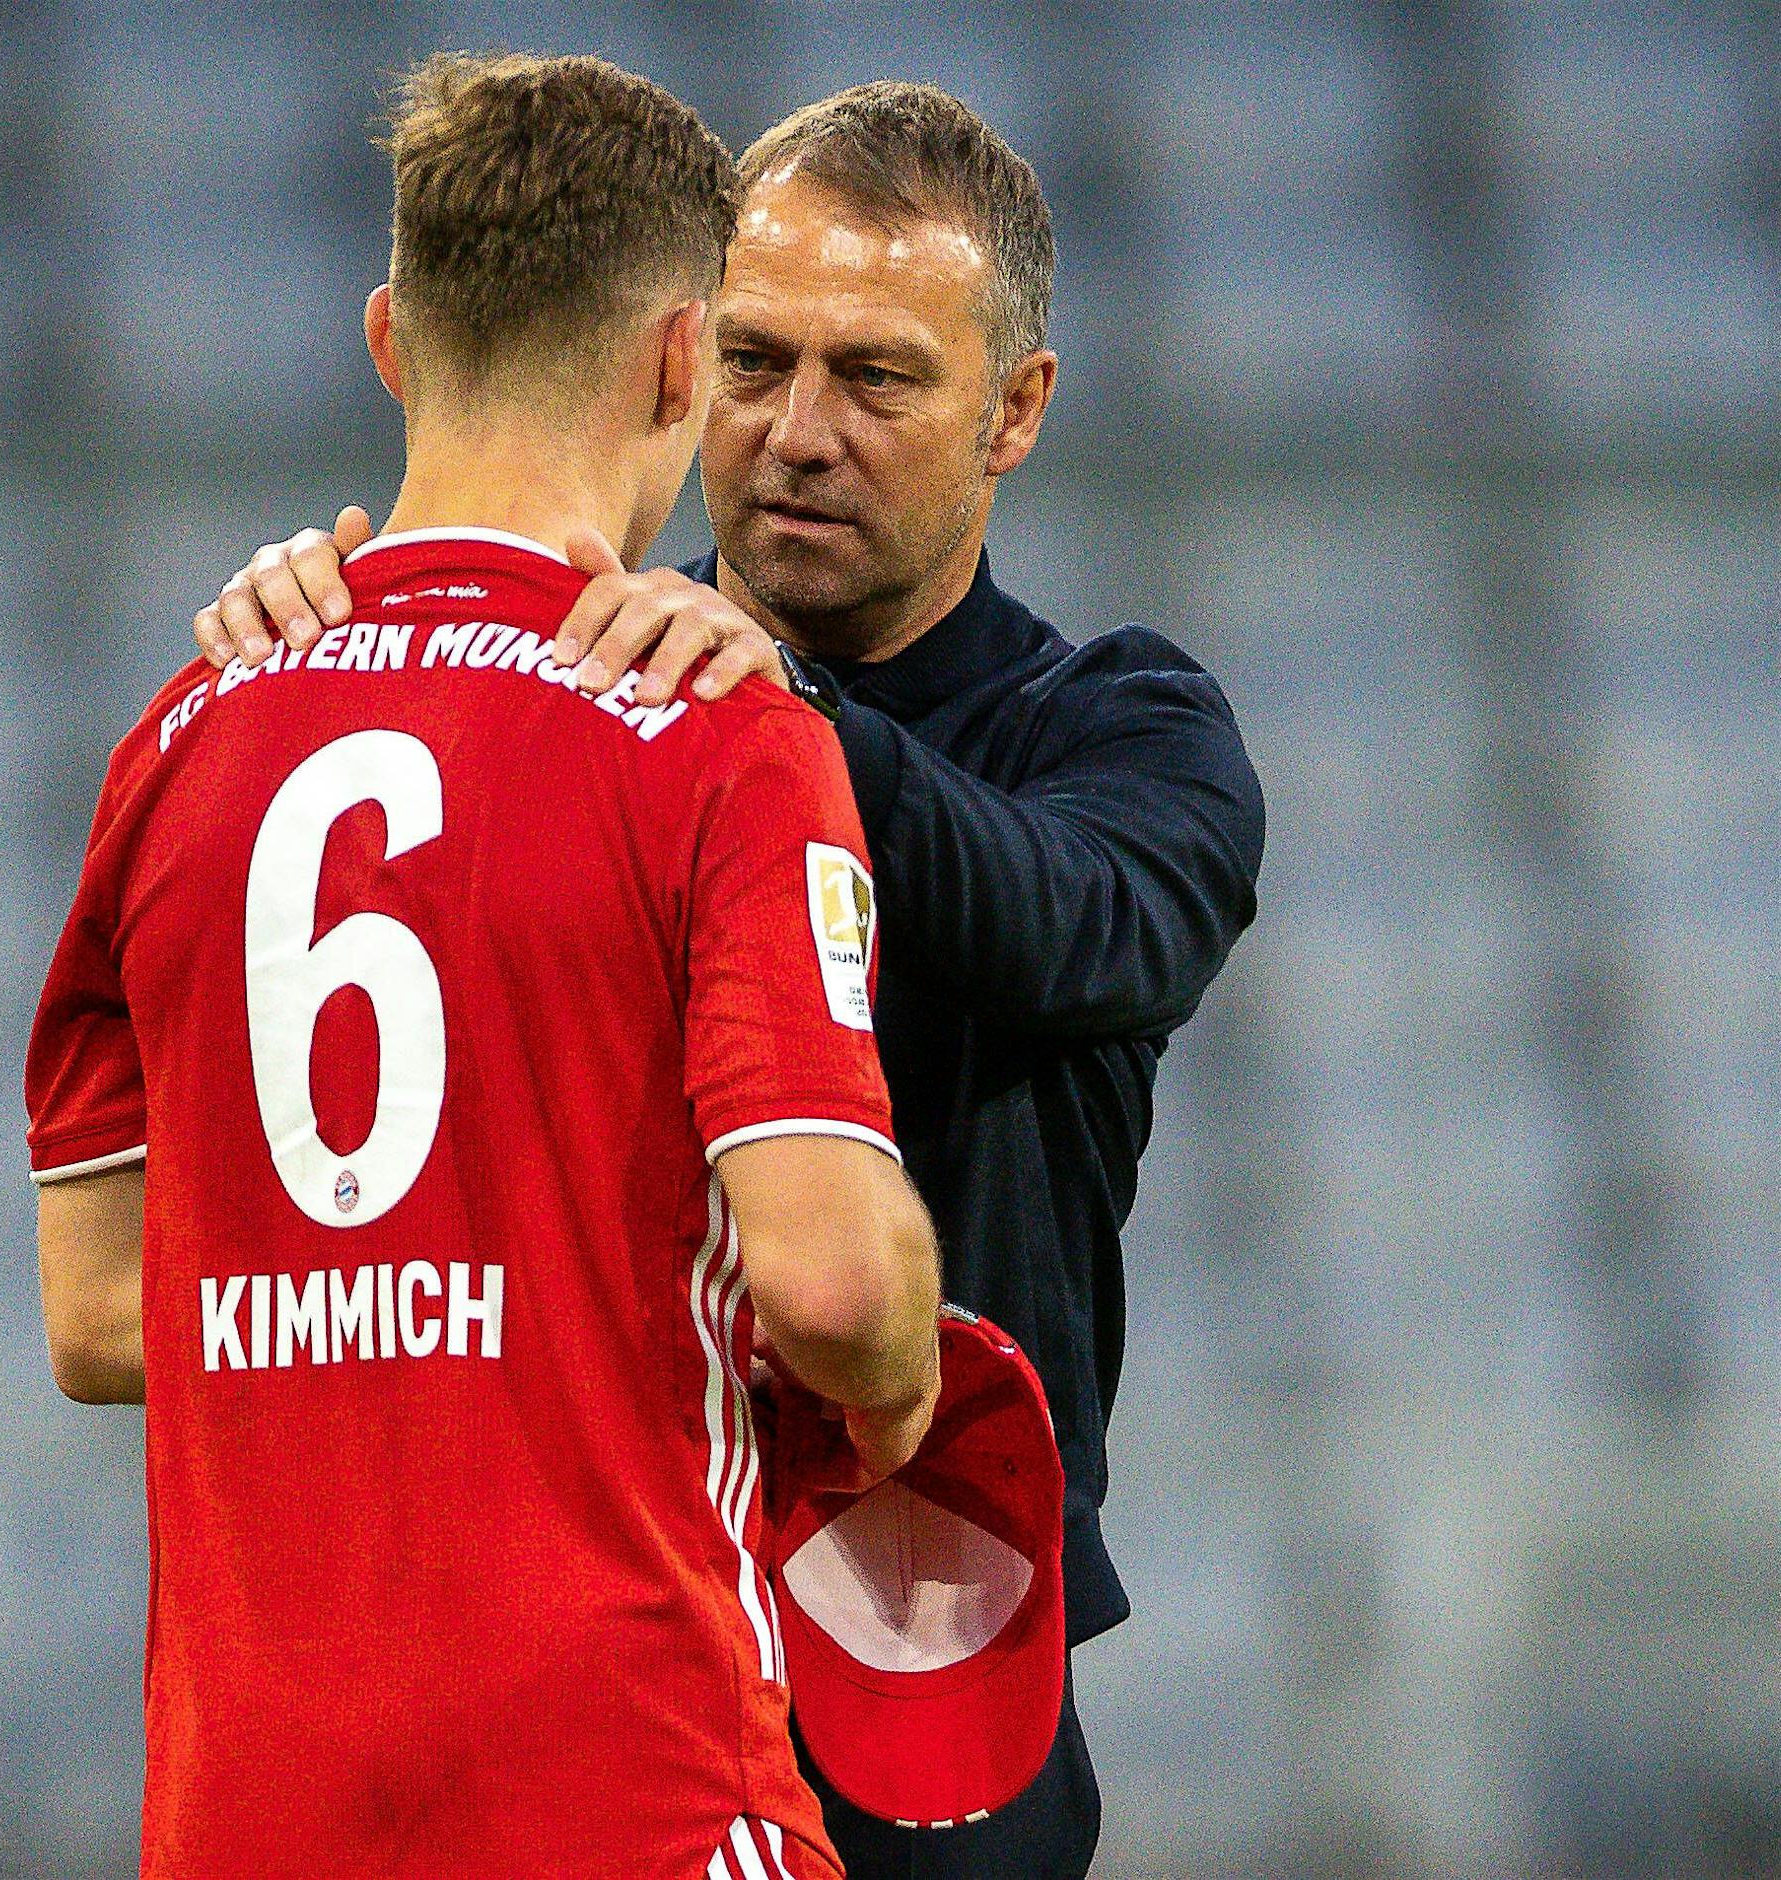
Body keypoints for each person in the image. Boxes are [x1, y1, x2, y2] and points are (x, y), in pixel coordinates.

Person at [197, 82, 1264, 1880]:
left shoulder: (1123, 732)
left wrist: (785, 719)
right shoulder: (571, 684)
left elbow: (1064, 919)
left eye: (880, 378)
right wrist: (333, 665)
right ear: (682, 364)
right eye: (757, 360)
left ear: (1017, 411)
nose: (799, 434)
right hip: (580, 1642)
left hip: (917, 1667)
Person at [28, 55, 944, 1880]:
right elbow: (834, 1287)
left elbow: (105, 1313)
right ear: (685, 363)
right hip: (628, 1794)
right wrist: (904, 1384)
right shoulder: (709, 732)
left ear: (390, 335)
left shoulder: (183, 733)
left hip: (250, 1819)